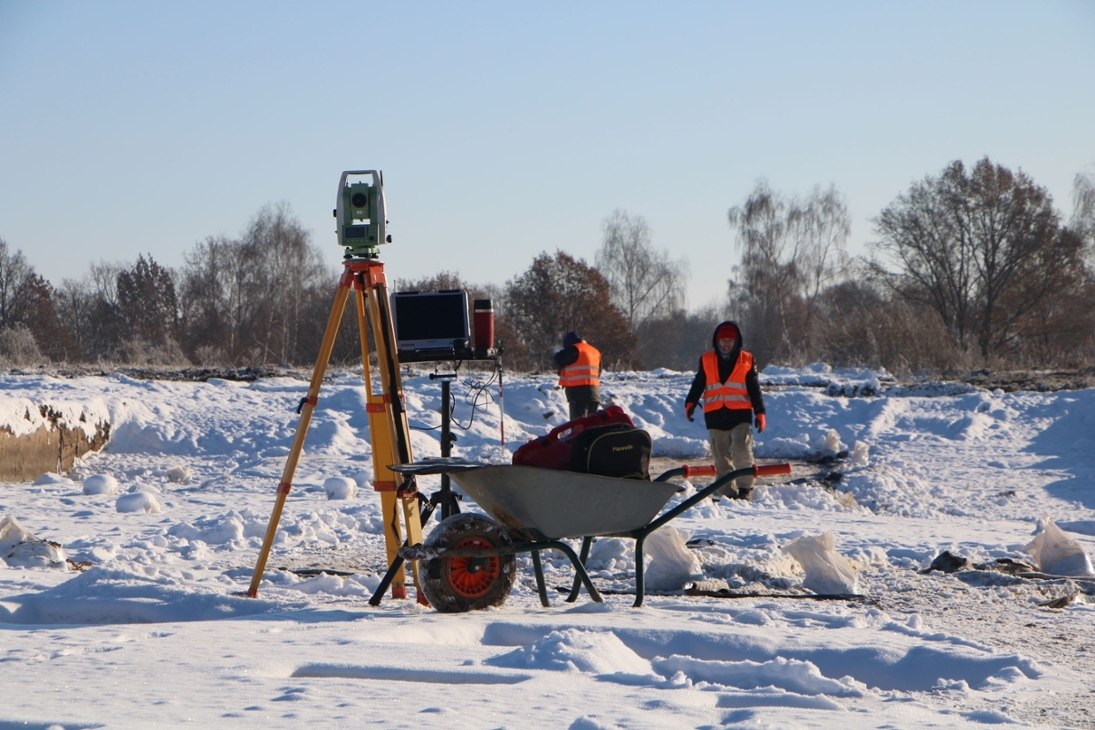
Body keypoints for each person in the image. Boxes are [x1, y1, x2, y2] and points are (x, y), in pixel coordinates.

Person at [684, 321, 766, 499]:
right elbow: (699, 383)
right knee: (721, 458)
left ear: (736, 341)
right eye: (723, 341)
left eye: (730, 340)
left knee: (742, 449)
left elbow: (754, 388)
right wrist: (690, 403)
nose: (726, 344)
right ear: (717, 341)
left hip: (740, 414)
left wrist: (760, 412)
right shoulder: (706, 359)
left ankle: (745, 490)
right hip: (715, 416)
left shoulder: (747, 359)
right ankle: (727, 495)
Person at [554, 331, 602, 420]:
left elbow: (558, 359)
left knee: (579, 427)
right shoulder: (595, 352)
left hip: (578, 394)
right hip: (594, 394)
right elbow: (598, 372)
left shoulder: (574, 349)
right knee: (592, 427)